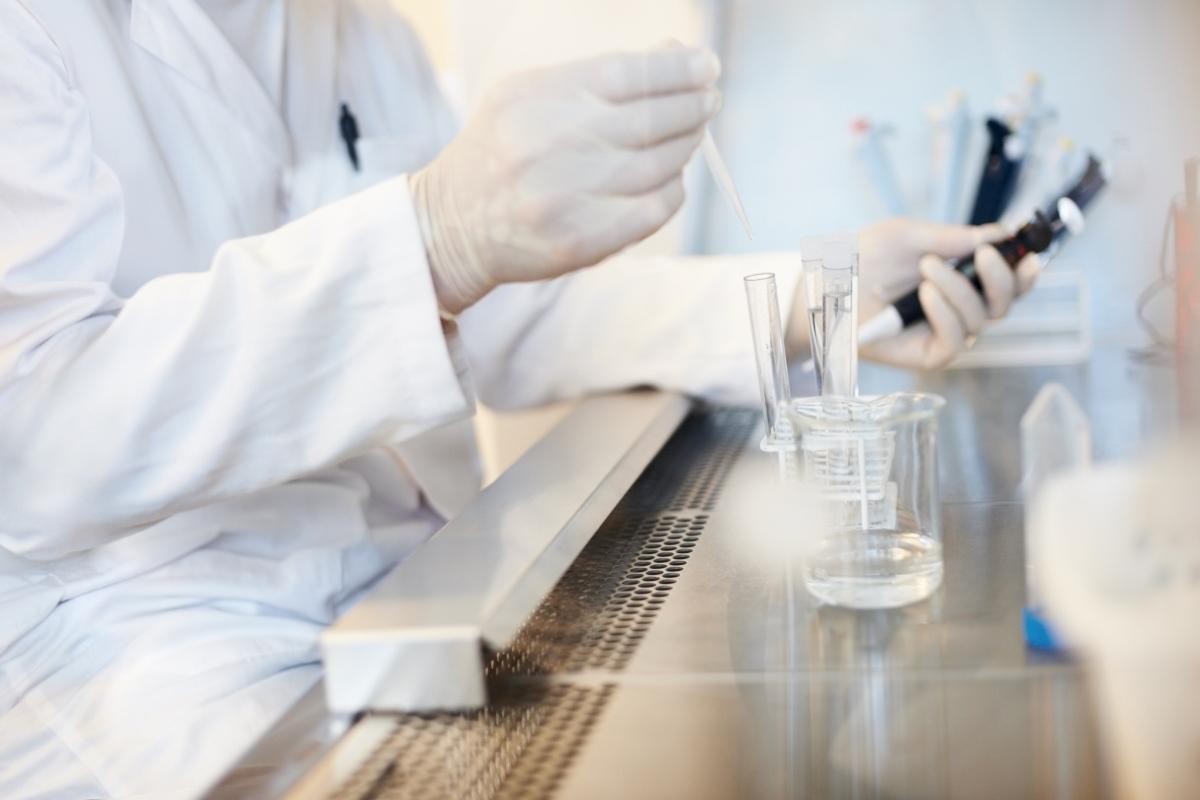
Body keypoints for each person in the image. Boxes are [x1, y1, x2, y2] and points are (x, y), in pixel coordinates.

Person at [0, 2, 1040, 797]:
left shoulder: (358, 31)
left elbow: (489, 316)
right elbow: (35, 442)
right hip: (135, 658)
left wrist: (822, 293)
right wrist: (436, 234)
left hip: (408, 596)